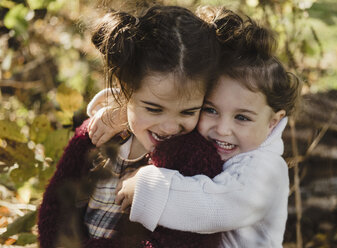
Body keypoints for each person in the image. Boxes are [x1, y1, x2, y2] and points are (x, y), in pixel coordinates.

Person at [87, 6, 302, 248]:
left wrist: (151, 188)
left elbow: (218, 207)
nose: (222, 129)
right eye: (210, 110)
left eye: (242, 117)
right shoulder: (219, 143)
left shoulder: (265, 169)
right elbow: (164, 95)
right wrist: (122, 112)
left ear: (273, 121)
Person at [37, 5, 222, 248]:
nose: (169, 127)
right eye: (154, 109)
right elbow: (56, 206)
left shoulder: (193, 160)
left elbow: (186, 241)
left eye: (188, 112)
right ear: (126, 88)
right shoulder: (100, 135)